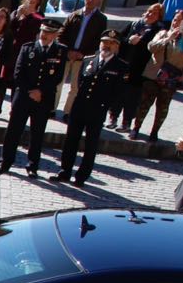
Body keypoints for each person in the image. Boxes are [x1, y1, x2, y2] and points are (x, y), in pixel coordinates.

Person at [54, 29, 129, 184]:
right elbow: (80, 82)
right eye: (104, 42)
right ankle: (65, 171)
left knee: (90, 145)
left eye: (111, 43)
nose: (107, 46)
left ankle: (81, 176)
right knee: (70, 141)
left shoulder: (121, 66)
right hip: (79, 107)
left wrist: (106, 107)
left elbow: (119, 92)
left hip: (97, 110)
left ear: (117, 46)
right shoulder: (89, 60)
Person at [0, 18, 65, 177]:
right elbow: (18, 73)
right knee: (14, 130)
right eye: (43, 32)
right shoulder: (27, 48)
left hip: (43, 99)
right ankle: (5, 161)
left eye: (49, 33)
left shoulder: (60, 51)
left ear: (55, 35)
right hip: (23, 96)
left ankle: (32, 165)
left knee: (37, 133)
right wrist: (31, 91)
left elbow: (57, 77)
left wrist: (40, 91)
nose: (44, 35)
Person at [132, 9, 183, 142]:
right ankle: (136, 128)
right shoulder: (163, 33)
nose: (176, 23)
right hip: (153, 75)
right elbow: (151, 47)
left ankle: (154, 132)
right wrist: (168, 38)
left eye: (180, 21)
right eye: (175, 20)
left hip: (171, 78)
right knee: (144, 104)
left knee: (163, 107)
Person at [113, 2, 167, 129]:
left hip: (140, 68)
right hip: (125, 63)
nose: (150, 14)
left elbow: (153, 48)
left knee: (132, 96)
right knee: (118, 92)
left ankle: (126, 122)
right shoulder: (135, 24)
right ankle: (113, 117)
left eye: (154, 13)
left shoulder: (159, 30)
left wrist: (140, 42)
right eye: (149, 11)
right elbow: (119, 38)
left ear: (159, 16)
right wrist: (129, 40)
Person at [58, 0, 108, 118]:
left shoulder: (101, 19)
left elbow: (99, 40)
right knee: (58, 82)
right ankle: (51, 109)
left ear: (99, 0)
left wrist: (83, 54)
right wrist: (67, 50)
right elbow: (61, 33)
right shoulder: (74, 15)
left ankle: (68, 112)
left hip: (83, 58)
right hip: (67, 55)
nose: (91, 0)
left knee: (75, 86)